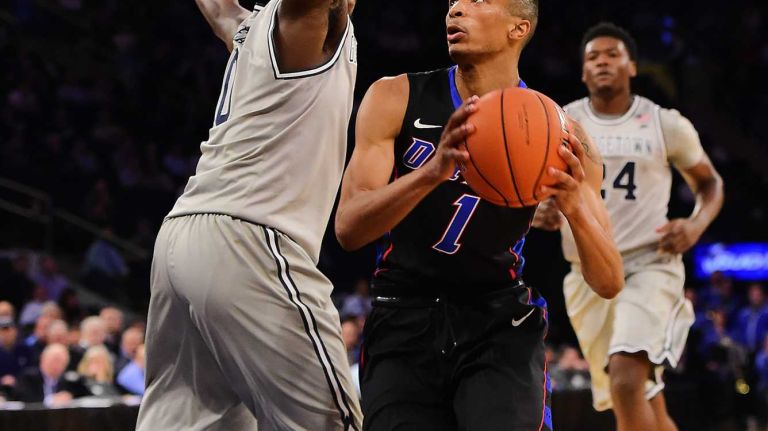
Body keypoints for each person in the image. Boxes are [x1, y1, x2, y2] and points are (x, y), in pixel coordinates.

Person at [335, 1, 623, 429]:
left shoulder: (562, 134)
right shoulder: (395, 96)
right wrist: (431, 173)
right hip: (404, 314)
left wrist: (575, 208)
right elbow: (348, 229)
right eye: (452, 2)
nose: (455, 11)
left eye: (478, 0)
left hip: (497, 320)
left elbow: (608, 280)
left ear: (518, 28)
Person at [137, 0, 362, 429]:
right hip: (249, 237)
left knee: (193, 421)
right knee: (331, 422)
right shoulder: (305, 22)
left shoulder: (249, 29)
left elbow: (219, 9)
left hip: (184, 234)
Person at [535, 22, 725, 431]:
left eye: (612, 54)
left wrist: (695, 225)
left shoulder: (664, 122)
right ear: (583, 72)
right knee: (646, 398)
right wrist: (541, 209)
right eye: (592, 57)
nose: (602, 62)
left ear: (632, 66)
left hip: (649, 265)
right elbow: (535, 187)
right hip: (588, 272)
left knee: (625, 380)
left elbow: (710, 184)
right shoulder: (562, 122)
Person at [13, 343, 89, 406]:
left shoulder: (69, 382)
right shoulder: (28, 378)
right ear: (43, 359)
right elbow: (25, 401)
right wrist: (50, 400)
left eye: (62, 361)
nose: (58, 365)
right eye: (55, 359)